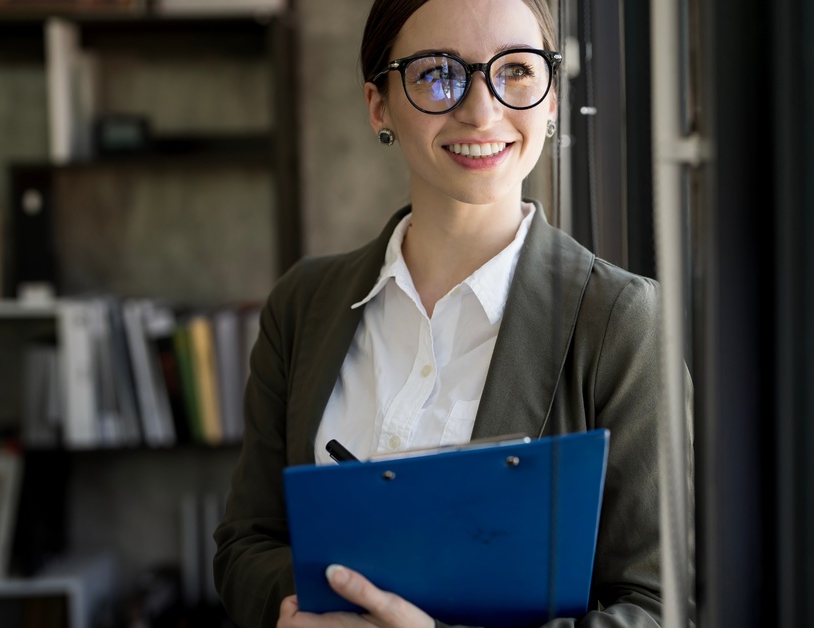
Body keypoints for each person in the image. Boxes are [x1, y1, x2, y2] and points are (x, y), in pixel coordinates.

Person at [212, 0, 692, 627]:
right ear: (378, 104)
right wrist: (294, 607)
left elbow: (662, 608)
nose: (482, 108)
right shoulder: (303, 304)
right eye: (438, 72)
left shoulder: (622, 321)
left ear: (550, 99)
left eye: (516, 70)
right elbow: (245, 543)